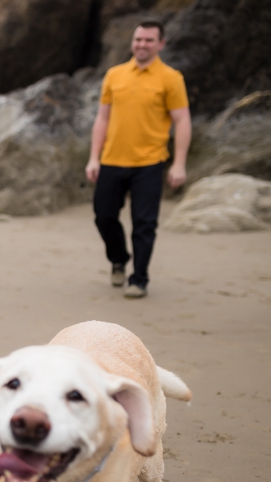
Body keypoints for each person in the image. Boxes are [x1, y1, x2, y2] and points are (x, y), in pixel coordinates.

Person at [85, 20, 190, 299]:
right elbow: (102, 118)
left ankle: (139, 278)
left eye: (148, 40)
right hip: (111, 160)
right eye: (138, 39)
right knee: (104, 217)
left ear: (161, 44)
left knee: (144, 223)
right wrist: (93, 158)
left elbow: (182, 121)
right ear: (133, 42)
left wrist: (179, 163)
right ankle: (118, 258)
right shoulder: (114, 75)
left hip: (149, 162)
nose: (142, 45)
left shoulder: (171, 78)